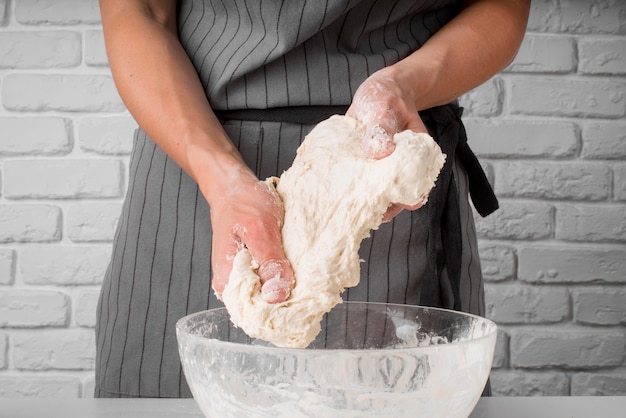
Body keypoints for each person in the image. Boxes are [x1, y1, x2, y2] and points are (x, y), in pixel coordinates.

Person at [95, 0, 530, 398]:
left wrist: (401, 85)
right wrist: (222, 180)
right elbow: (137, 13)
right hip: (192, 164)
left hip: (382, 166)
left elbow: (502, 7)